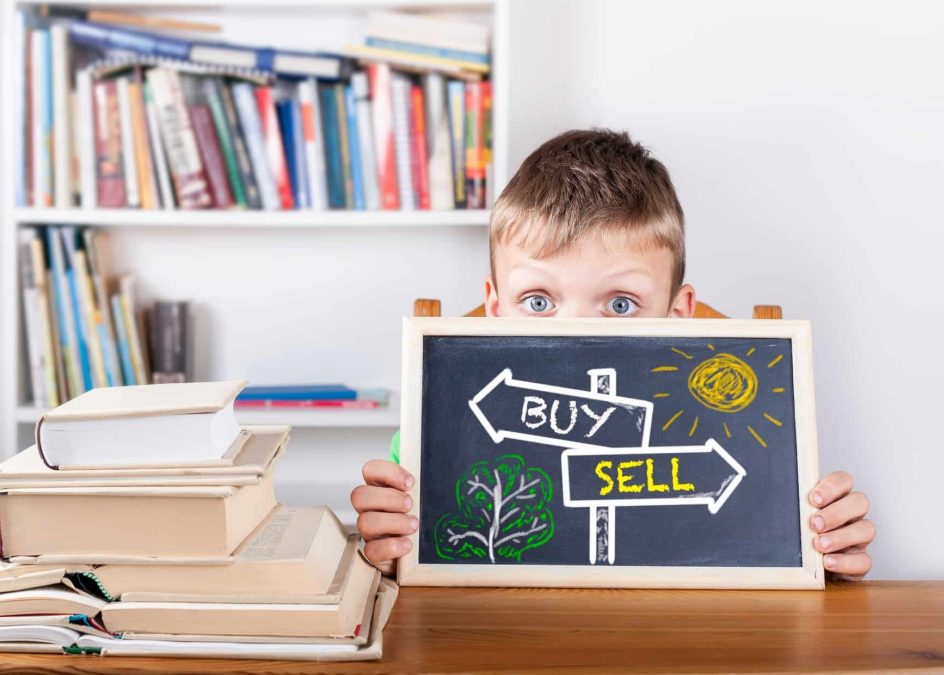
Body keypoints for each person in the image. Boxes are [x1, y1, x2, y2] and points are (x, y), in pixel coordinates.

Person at [352, 129, 875, 579]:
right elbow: (403, 576)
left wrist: (820, 550)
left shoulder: (736, 437)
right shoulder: (439, 435)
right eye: (538, 302)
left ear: (678, 312)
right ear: (494, 307)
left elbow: (763, 549)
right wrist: (388, 555)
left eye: (620, 304)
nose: (576, 334)